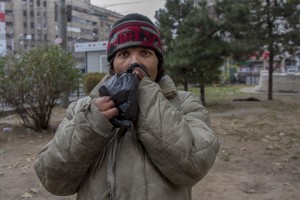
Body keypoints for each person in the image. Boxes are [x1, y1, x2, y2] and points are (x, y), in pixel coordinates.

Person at [34, 13, 220, 200]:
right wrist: (92, 124)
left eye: (145, 53)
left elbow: (194, 165)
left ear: (159, 62)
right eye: (124, 54)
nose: (134, 62)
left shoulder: (185, 104)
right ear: (113, 65)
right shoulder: (84, 108)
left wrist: (144, 93)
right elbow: (53, 179)